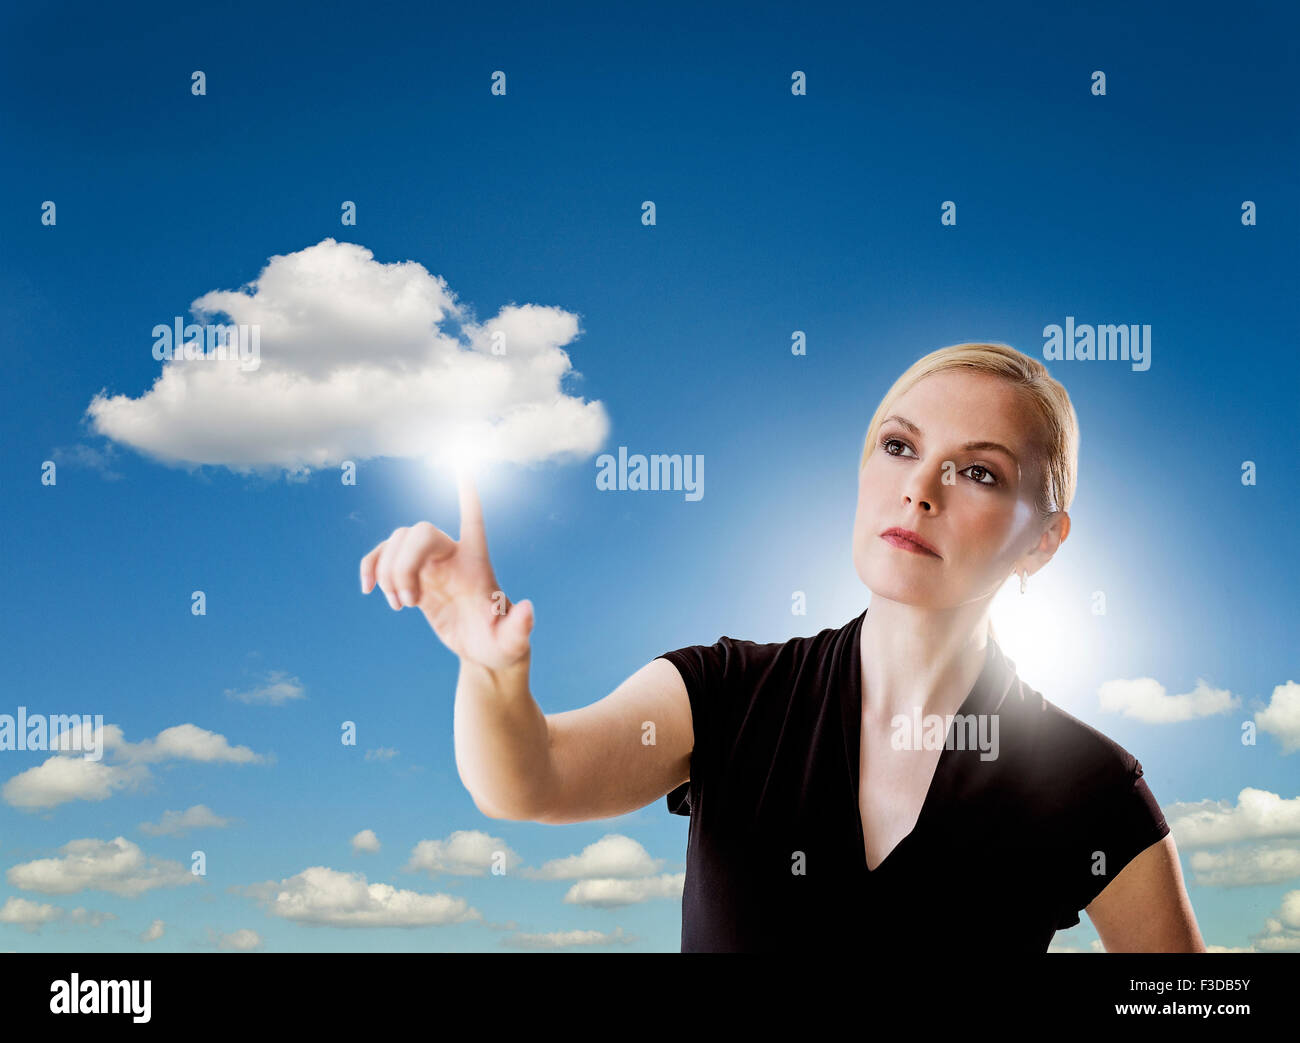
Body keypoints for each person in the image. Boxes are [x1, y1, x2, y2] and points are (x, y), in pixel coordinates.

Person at [359, 341, 1205, 953]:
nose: (919, 488)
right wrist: (490, 670)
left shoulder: (1090, 783)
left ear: (1044, 541)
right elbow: (528, 780)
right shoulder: (725, 692)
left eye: (976, 471)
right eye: (900, 446)